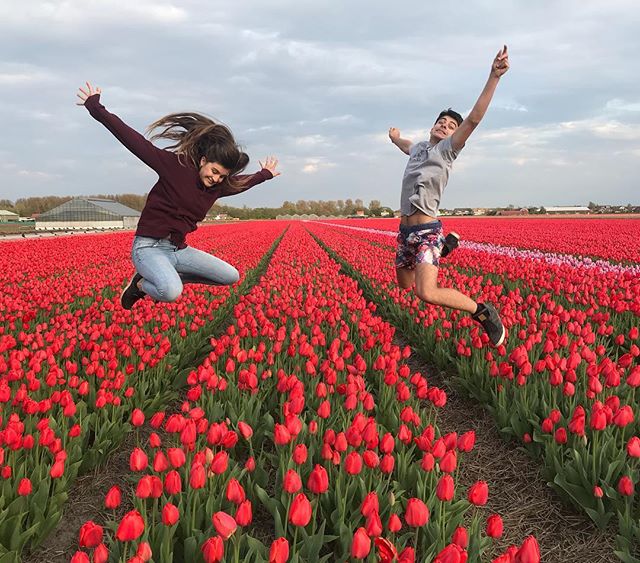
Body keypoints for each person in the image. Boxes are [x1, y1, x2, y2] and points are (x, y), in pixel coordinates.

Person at [76, 82, 280, 310]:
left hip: (177, 250)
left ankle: (164, 276)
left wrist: (265, 174)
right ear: (203, 161)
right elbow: (135, 142)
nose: (216, 179)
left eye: (222, 176)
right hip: (148, 248)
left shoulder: (217, 187)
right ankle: (141, 285)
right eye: (214, 171)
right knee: (171, 291)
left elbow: (242, 183)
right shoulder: (175, 167)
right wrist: (96, 109)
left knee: (230, 276)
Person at [388, 46, 509, 346]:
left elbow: (474, 119)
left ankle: (483, 311)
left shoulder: (447, 150)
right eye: (441, 122)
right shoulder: (418, 148)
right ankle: (442, 250)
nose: (446, 125)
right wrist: (394, 138)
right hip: (406, 231)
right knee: (404, 285)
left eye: (451, 126)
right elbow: (405, 145)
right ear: (432, 126)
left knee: (425, 292)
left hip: (427, 230)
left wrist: (493, 77)